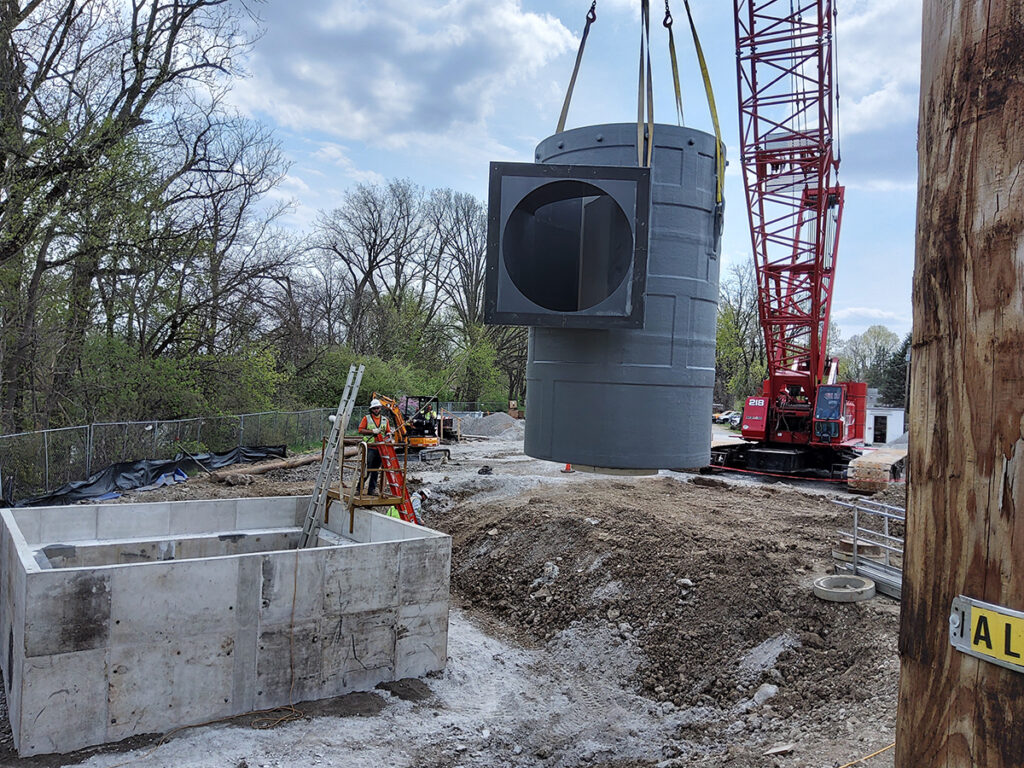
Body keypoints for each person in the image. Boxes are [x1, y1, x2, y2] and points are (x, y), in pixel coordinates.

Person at [358, 399, 392, 495]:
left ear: (380, 408)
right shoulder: (367, 418)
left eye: (377, 408)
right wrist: (372, 431)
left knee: (375, 470)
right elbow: (360, 430)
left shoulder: (385, 420)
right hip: (369, 447)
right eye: (374, 409)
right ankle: (359, 488)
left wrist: (389, 434)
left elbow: (387, 431)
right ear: (371, 409)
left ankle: (371, 490)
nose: (376, 410)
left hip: (380, 448)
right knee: (367, 469)